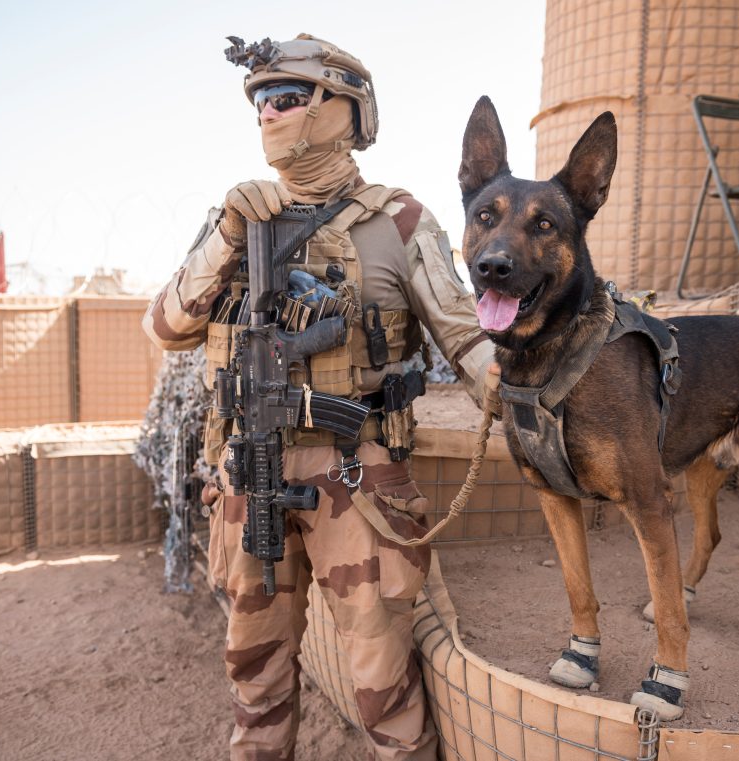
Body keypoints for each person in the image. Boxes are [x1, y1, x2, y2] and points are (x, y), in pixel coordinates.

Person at [142, 33, 496, 761]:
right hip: (249, 473)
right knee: (255, 671)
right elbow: (168, 325)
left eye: (287, 97)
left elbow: (467, 342)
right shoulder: (238, 217)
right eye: (261, 102)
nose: (269, 115)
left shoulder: (399, 222)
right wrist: (230, 234)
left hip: (357, 476)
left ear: (344, 108)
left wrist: (535, 395)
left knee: (381, 679)